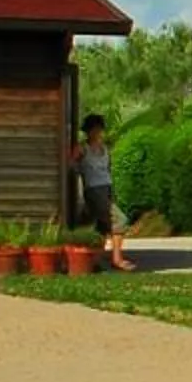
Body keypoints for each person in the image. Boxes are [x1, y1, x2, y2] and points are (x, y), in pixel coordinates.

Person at [69, 115, 136, 270]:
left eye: (99, 129)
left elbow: (107, 170)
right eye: (94, 129)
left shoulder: (105, 149)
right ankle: (117, 259)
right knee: (120, 220)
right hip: (93, 189)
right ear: (88, 131)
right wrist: (79, 172)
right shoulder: (82, 148)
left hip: (106, 187)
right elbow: (71, 164)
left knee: (102, 226)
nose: (97, 132)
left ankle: (96, 260)